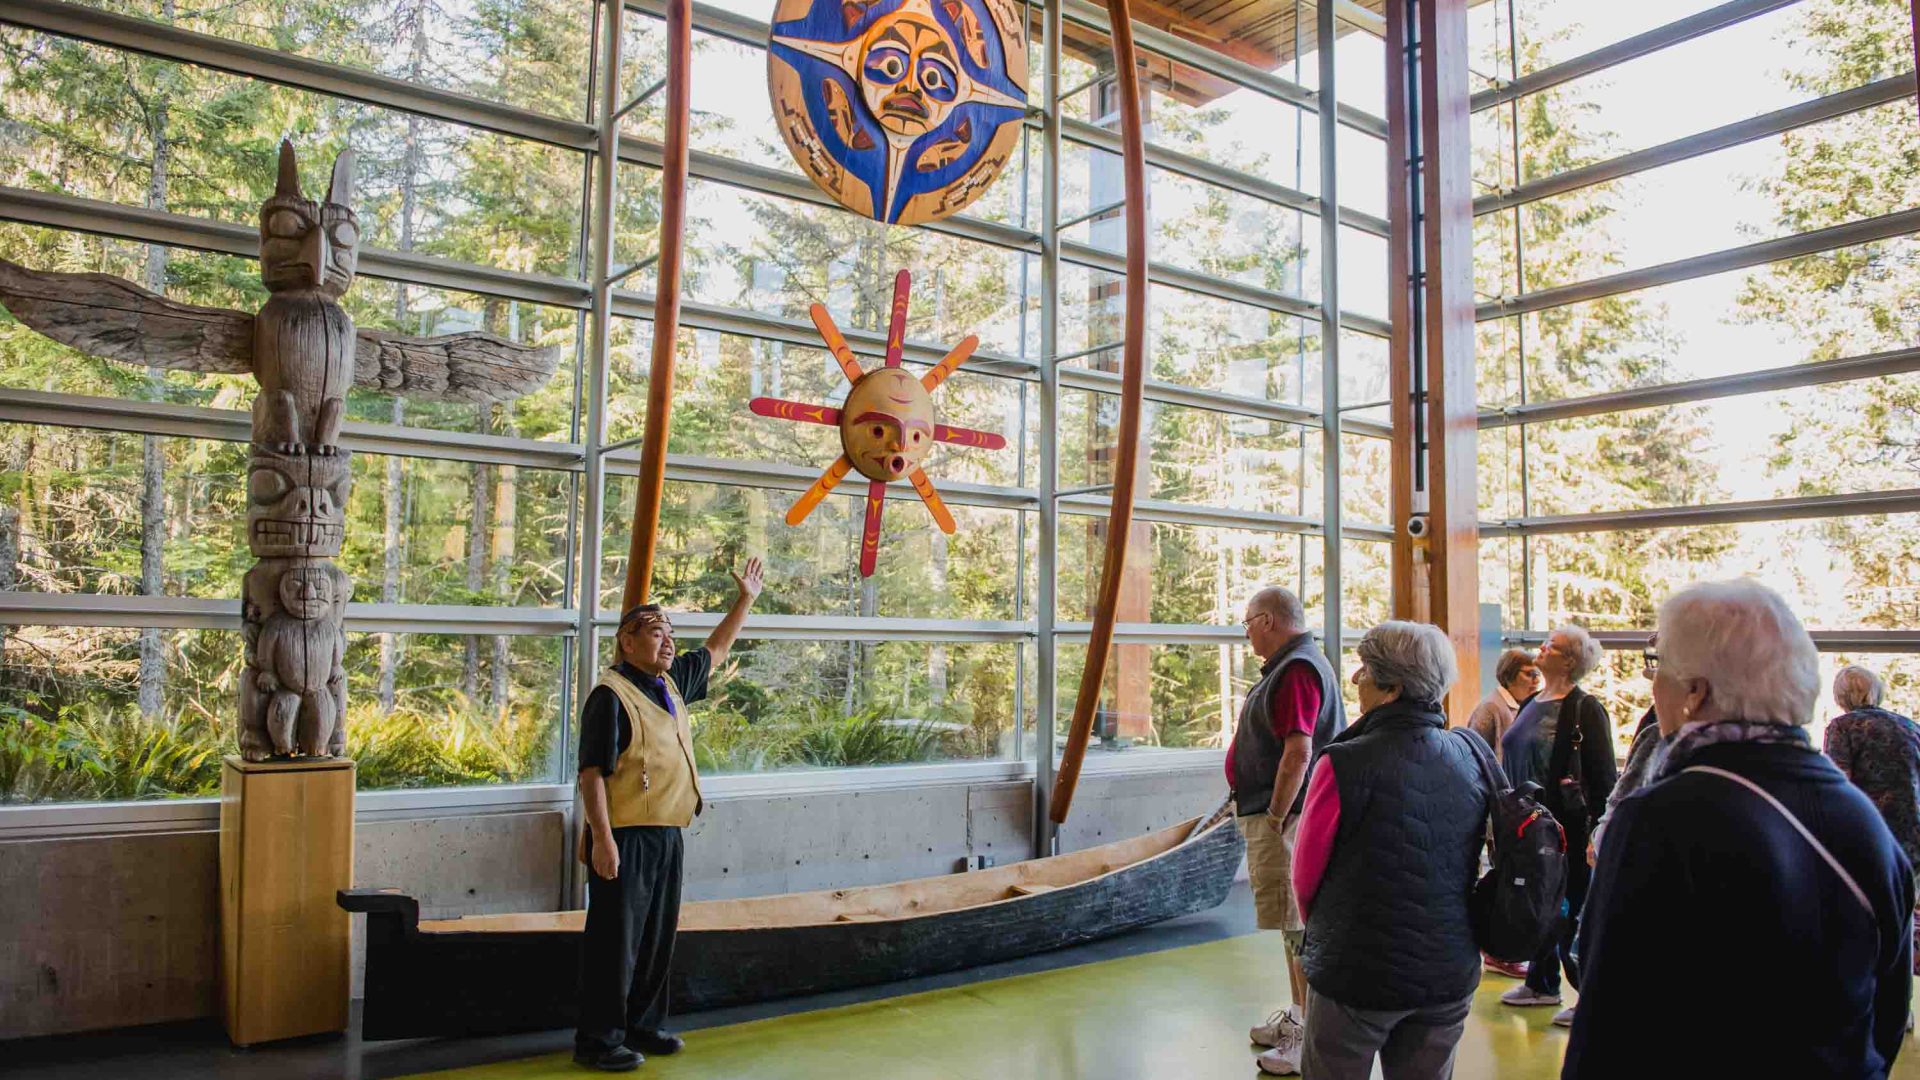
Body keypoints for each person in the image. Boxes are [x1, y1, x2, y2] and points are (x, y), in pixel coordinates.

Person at [1565, 581, 1912, 1078]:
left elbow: (1610, 1030)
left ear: (1695, 693)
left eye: (1656, 666)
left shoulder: (1659, 819)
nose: (1652, 684)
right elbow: (1886, 1020)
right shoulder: (1862, 819)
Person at [573, 558, 765, 1073]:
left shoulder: (670, 684)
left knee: (657, 936)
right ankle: (598, 1038)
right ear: (626, 642)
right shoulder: (609, 696)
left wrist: (745, 599)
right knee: (616, 942)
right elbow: (591, 774)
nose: (667, 641)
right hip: (625, 836)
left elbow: (717, 651)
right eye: (656, 632)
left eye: (670, 632)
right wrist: (602, 840)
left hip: (667, 832)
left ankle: (642, 1024)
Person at [1290, 621, 1489, 1080]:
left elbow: (1306, 877)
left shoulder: (1342, 762)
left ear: (1392, 689)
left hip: (1355, 972)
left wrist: (1321, 933)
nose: (1356, 679)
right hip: (1448, 968)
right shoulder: (1470, 755)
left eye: (1366, 671)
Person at [1230, 586, 1348, 1077]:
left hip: (1289, 819)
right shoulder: (1294, 665)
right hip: (1284, 813)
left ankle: (1306, 1038)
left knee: (1299, 929)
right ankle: (1299, 1015)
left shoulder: (1297, 669)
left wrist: (1279, 814)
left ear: (1268, 621)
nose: (1247, 633)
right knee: (1289, 926)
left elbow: (1298, 751)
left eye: (1248, 623)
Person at [1498, 624, 1616, 1026]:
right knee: (1537, 901)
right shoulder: (1532, 700)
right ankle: (1542, 981)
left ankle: (1590, 995)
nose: (1542, 648)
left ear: (1569, 660)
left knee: (1571, 907)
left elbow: (1602, 777)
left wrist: (1600, 831)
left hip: (1566, 827)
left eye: (1553, 645)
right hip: (1528, 823)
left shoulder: (1585, 708)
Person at [1823, 664, 1920, 988]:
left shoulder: (1842, 728)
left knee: (1861, 923)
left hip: (1870, 837)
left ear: (1840, 696)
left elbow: (1838, 787)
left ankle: (1865, 998)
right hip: (1912, 839)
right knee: (1902, 922)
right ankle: (1901, 1001)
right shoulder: (1910, 726)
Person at [1467, 647, 1540, 759]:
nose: (1536, 680)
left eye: (1538, 674)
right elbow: (1472, 756)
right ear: (1509, 675)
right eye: (1530, 674)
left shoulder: (1526, 707)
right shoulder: (1490, 708)